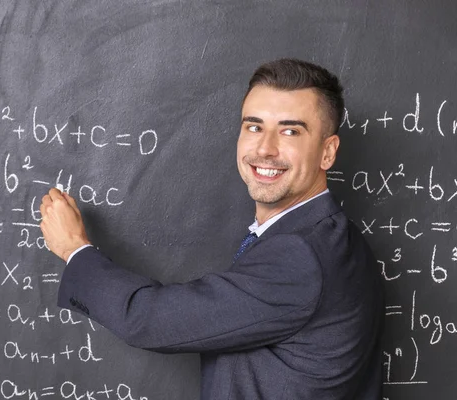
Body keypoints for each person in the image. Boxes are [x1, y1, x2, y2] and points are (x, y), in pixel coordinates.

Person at [40, 58, 384, 399]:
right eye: (254, 126)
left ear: (327, 152)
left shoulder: (300, 257)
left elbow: (151, 320)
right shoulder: (339, 238)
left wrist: (74, 248)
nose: (265, 148)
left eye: (290, 131)